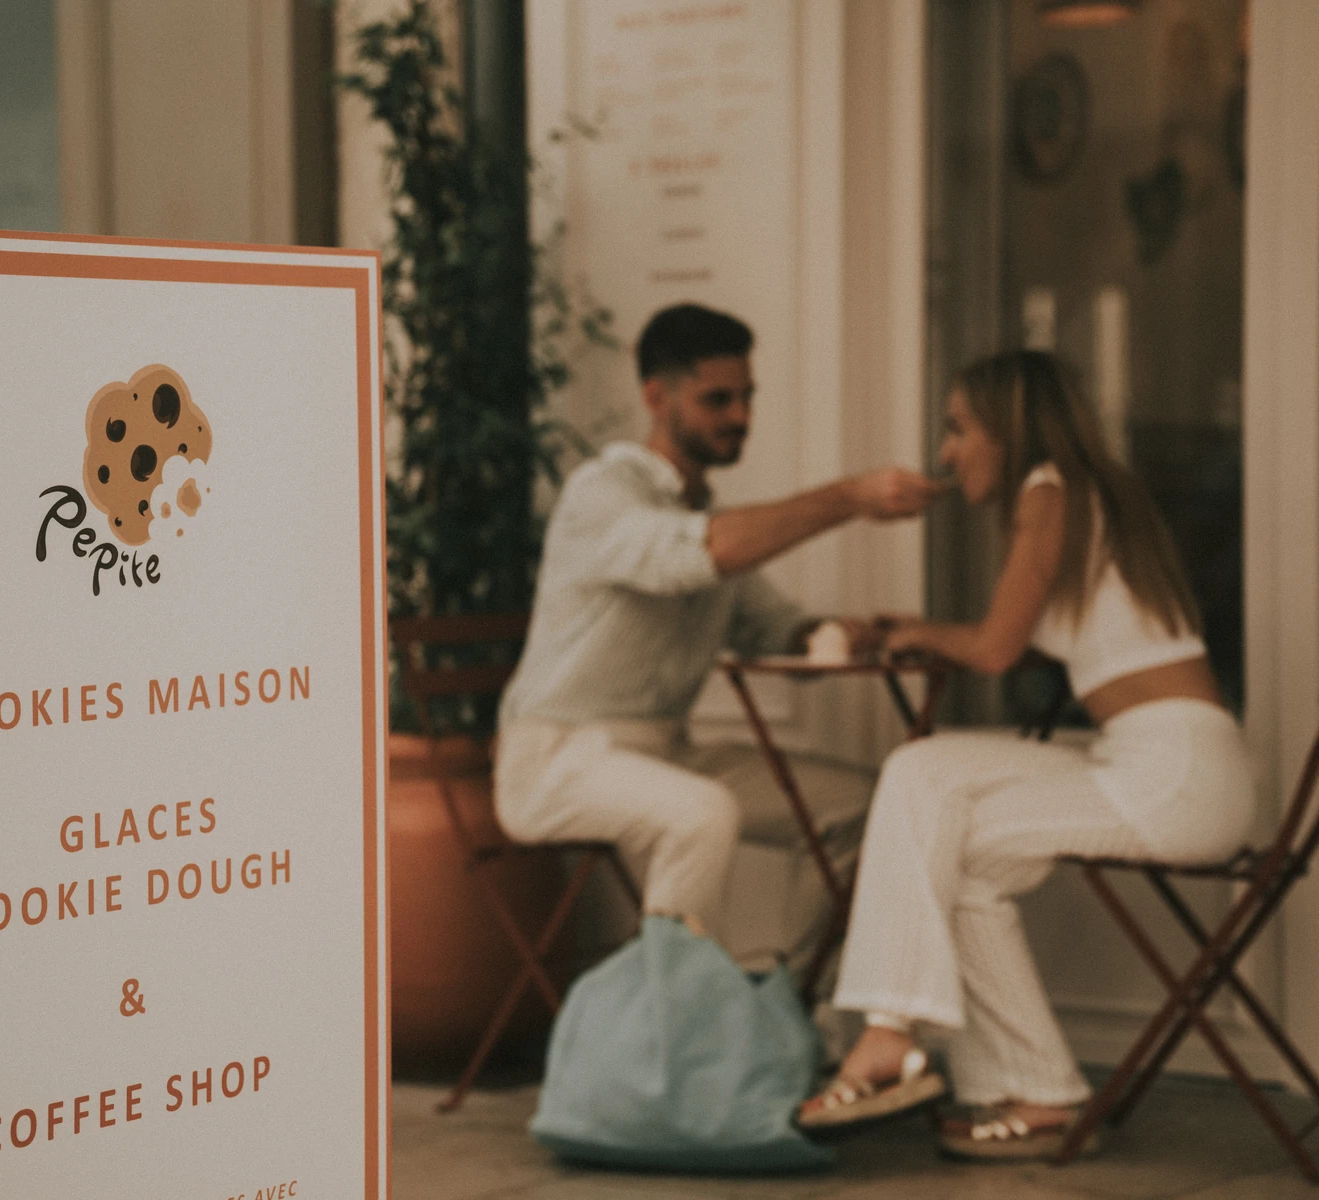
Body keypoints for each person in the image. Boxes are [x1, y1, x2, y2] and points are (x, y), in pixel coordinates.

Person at [796, 350, 1255, 1160]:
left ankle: (885, 1033)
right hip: (1160, 761)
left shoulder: (1049, 493)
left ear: (1007, 432)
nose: (946, 452)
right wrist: (917, 631)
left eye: (957, 429)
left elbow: (998, 648)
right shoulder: (1081, 496)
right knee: (957, 844)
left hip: (1174, 776)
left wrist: (908, 632)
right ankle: (1040, 1091)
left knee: (920, 769)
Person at [495, 302, 941, 970]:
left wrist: (830, 634)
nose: (741, 416)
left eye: (748, 397)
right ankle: (681, 1039)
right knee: (702, 814)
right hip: (556, 759)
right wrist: (849, 497)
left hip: (664, 753)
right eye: (718, 400)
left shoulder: (708, 515)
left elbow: (772, 625)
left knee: (866, 803)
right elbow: (695, 556)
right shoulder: (603, 493)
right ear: (655, 397)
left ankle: (779, 1006)